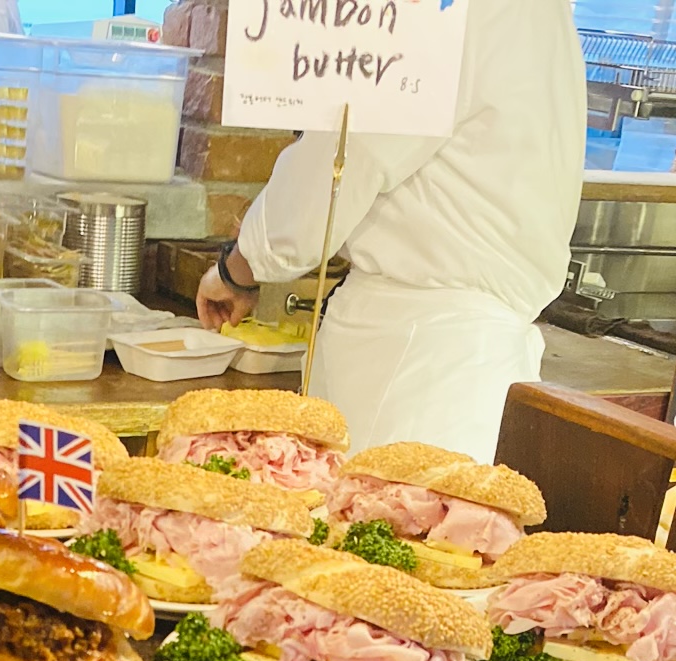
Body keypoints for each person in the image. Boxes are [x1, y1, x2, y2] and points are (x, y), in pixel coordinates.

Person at [196, 0, 586, 461]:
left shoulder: (440, 12)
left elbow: (343, 157)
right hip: (465, 362)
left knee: (384, 504)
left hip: (413, 362)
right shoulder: (543, 15)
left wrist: (239, 268)